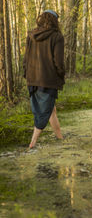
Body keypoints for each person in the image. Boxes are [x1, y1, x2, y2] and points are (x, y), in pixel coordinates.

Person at [23, 10, 65, 148]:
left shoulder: (31, 35)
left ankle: (60, 138)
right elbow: (58, 62)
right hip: (48, 80)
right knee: (44, 113)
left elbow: (26, 59)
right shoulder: (57, 37)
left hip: (32, 79)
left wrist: (26, 75)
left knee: (50, 109)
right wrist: (61, 75)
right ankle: (32, 143)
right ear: (55, 21)